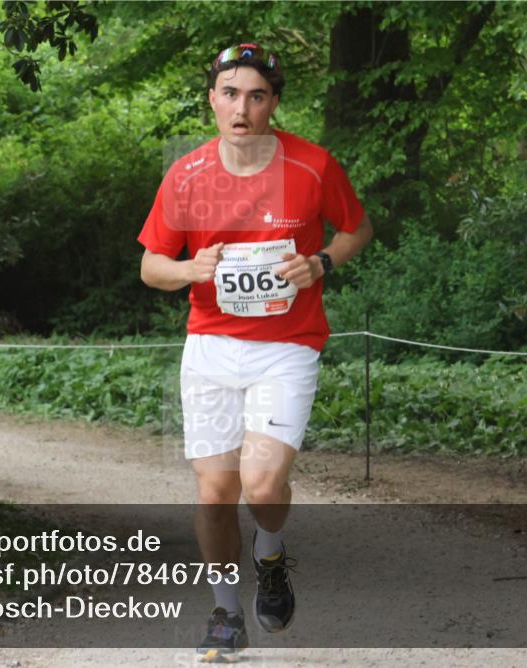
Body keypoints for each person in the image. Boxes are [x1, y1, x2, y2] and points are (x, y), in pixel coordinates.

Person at [138, 43, 373, 662]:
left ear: (273, 102)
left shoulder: (314, 165)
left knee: (263, 483)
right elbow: (150, 265)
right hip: (211, 347)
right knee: (215, 493)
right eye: (230, 93)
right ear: (212, 97)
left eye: (257, 95)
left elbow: (358, 228)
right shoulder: (185, 174)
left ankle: (270, 556)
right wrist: (192, 269)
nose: (242, 107)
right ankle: (224, 611)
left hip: (286, 347)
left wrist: (320, 263)